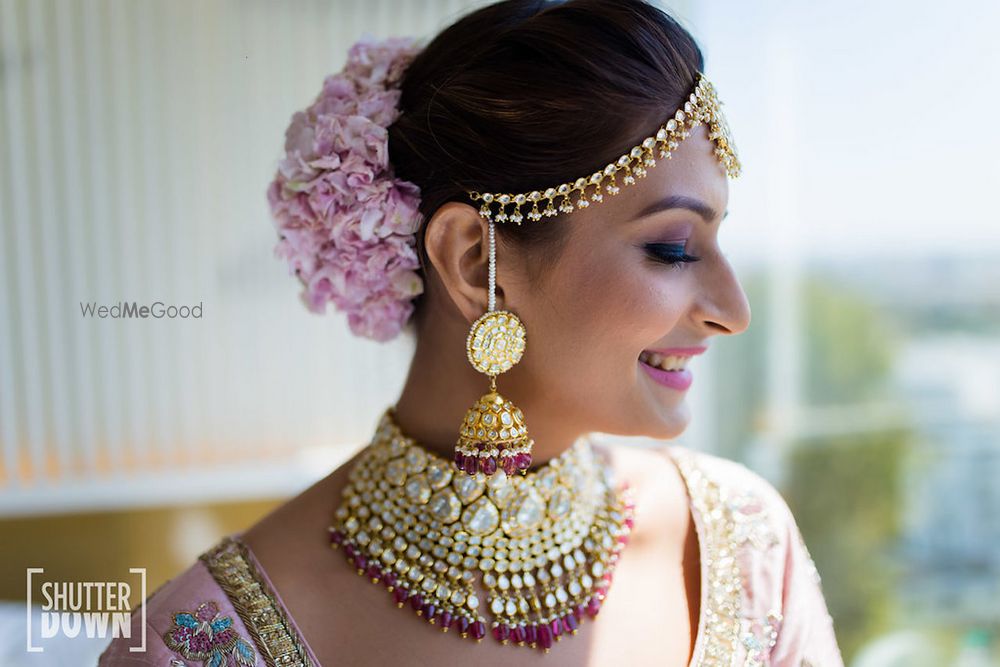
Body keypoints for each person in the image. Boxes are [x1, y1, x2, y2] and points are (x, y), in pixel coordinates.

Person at [99, 0, 845, 665]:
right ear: (475, 260)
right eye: (674, 249)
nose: (733, 309)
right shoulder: (201, 646)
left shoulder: (743, 545)